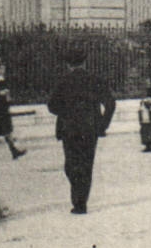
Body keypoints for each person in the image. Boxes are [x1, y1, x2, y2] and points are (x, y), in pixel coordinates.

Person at [47, 47, 116, 214]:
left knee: (71, 164)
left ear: (68, 64)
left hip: (69, 128)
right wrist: (103, 124)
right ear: (84, 62)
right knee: (86, 164)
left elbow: (52, 106)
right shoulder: (95, 80)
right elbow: (110, 103)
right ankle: (81, 202)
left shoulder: (63, 81)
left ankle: (78, 199)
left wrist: (66, 112)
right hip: (90, 129)